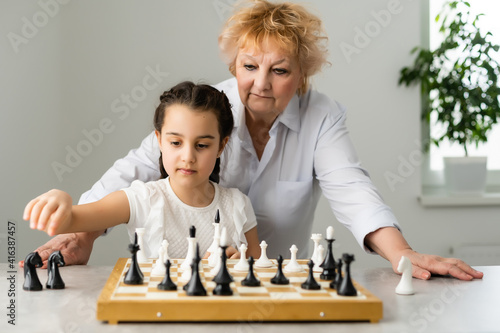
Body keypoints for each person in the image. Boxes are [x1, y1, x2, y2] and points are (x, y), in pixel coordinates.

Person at [22, 0, 482, 281]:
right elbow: (137, 171)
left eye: (279, 70)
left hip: (272, 283)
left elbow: (353, 191)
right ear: (233, 66)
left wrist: (402, 256)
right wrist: (80, 233)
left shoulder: (322, 116)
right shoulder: (207, 113)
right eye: (249, 67)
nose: (260, 84)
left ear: (303, 74)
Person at [23, 82, 260, 260]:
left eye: (202, 145)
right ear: (158, 140)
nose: (188, 157)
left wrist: (240, 266)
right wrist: (60, 201)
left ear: (221, 145)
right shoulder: (141, 199)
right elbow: (72, 220)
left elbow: (259, 272)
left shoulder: (238, 205)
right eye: (175, 143)